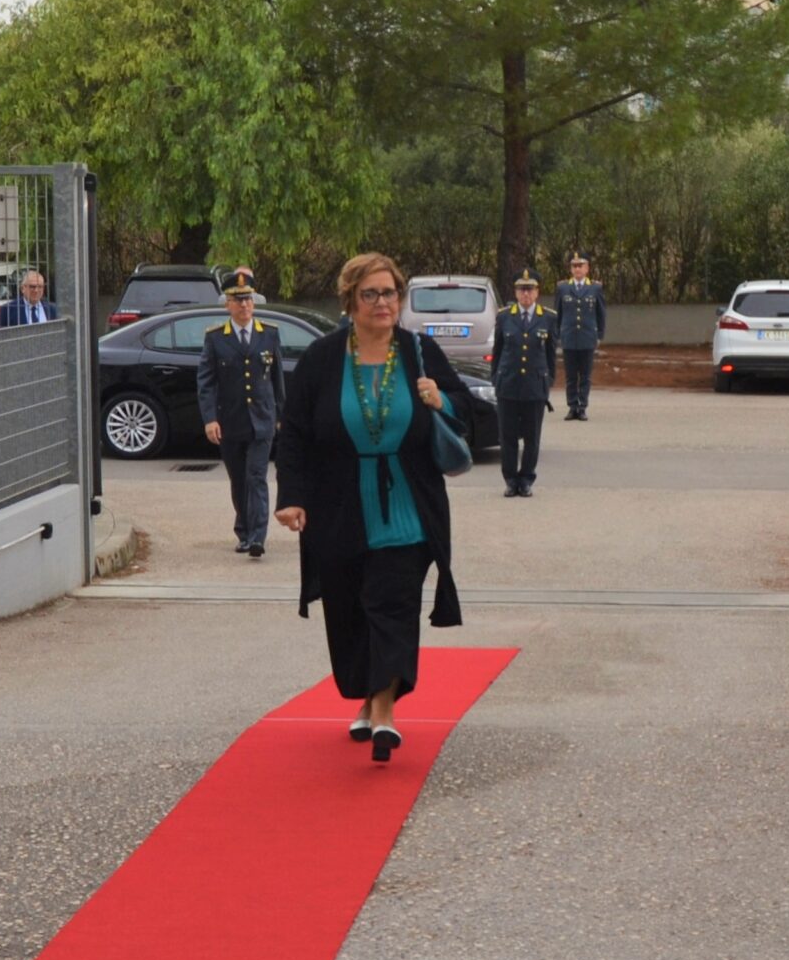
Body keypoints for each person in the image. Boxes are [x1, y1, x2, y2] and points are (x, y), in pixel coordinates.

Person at [272, 252, 467, 763]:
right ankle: (365, 695)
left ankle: (384, 712)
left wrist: (440, 400)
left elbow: (471, 409)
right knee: (350, 606)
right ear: (350, 302)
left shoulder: (419, 352)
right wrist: (290, 496)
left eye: (391, 293)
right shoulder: (322, 357)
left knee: (393, 601)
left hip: (408, 502)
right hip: (339, 503)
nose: (383, 303)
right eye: (372, 294)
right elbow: (293, 433)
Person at [195, 270, 283, 558]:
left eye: (248, 300)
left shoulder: (268, 334)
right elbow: (206, 382)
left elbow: (277, 378)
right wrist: (210, 419)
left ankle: (258, 536)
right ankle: (244, 530)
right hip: (231, 420)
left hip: (262, 420)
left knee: (257, 475)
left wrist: (281, 414)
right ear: (227, 305)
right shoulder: (216, 338)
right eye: (238, 300)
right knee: (239, 479)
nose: (244, 305)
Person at [492, 270, 556, 497]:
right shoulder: (504, 316)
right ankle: (510, 480)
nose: (526, 294)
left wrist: (547, 381)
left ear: (537, 292)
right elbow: (497, 352)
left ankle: (527, 479)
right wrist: (496, 379)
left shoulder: (548, 317)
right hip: (508, 385)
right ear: (516, 292)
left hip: (534, 387)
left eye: (530, 289)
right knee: (507, 436)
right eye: (522, 289)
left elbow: (550, 355)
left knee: (532, 437)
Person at [555, 253, 607, 421]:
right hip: (569, 337)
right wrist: (557, 335)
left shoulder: (595, 288)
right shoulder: (562, 288)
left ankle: (582, 406)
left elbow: (601, 313)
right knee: (570, 376)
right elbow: (558, 313)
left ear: (587, 268)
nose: (577, 269)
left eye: (580, 265)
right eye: (574, 266)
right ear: (571, 269)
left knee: (585, 375)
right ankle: (572, 407)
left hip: (587, 337)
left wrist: (599, 334)